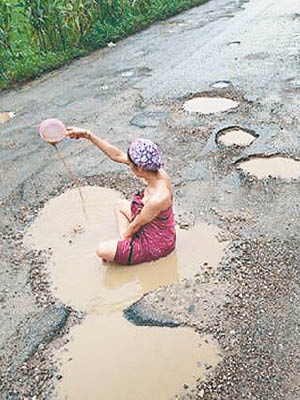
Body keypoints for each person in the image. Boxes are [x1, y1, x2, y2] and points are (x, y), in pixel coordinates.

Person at [66, 127, 176, 265]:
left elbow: (135, 225)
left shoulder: (158, 197)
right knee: (120, 205)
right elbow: (117, 155)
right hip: (148, 224)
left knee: (102, 250)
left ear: (140, 168)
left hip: (156, 244)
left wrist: (122, 243)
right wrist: (88, 135)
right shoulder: (155, 169)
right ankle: (127, 247)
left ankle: (128, 248)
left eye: (131, 165)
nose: (129, 166)